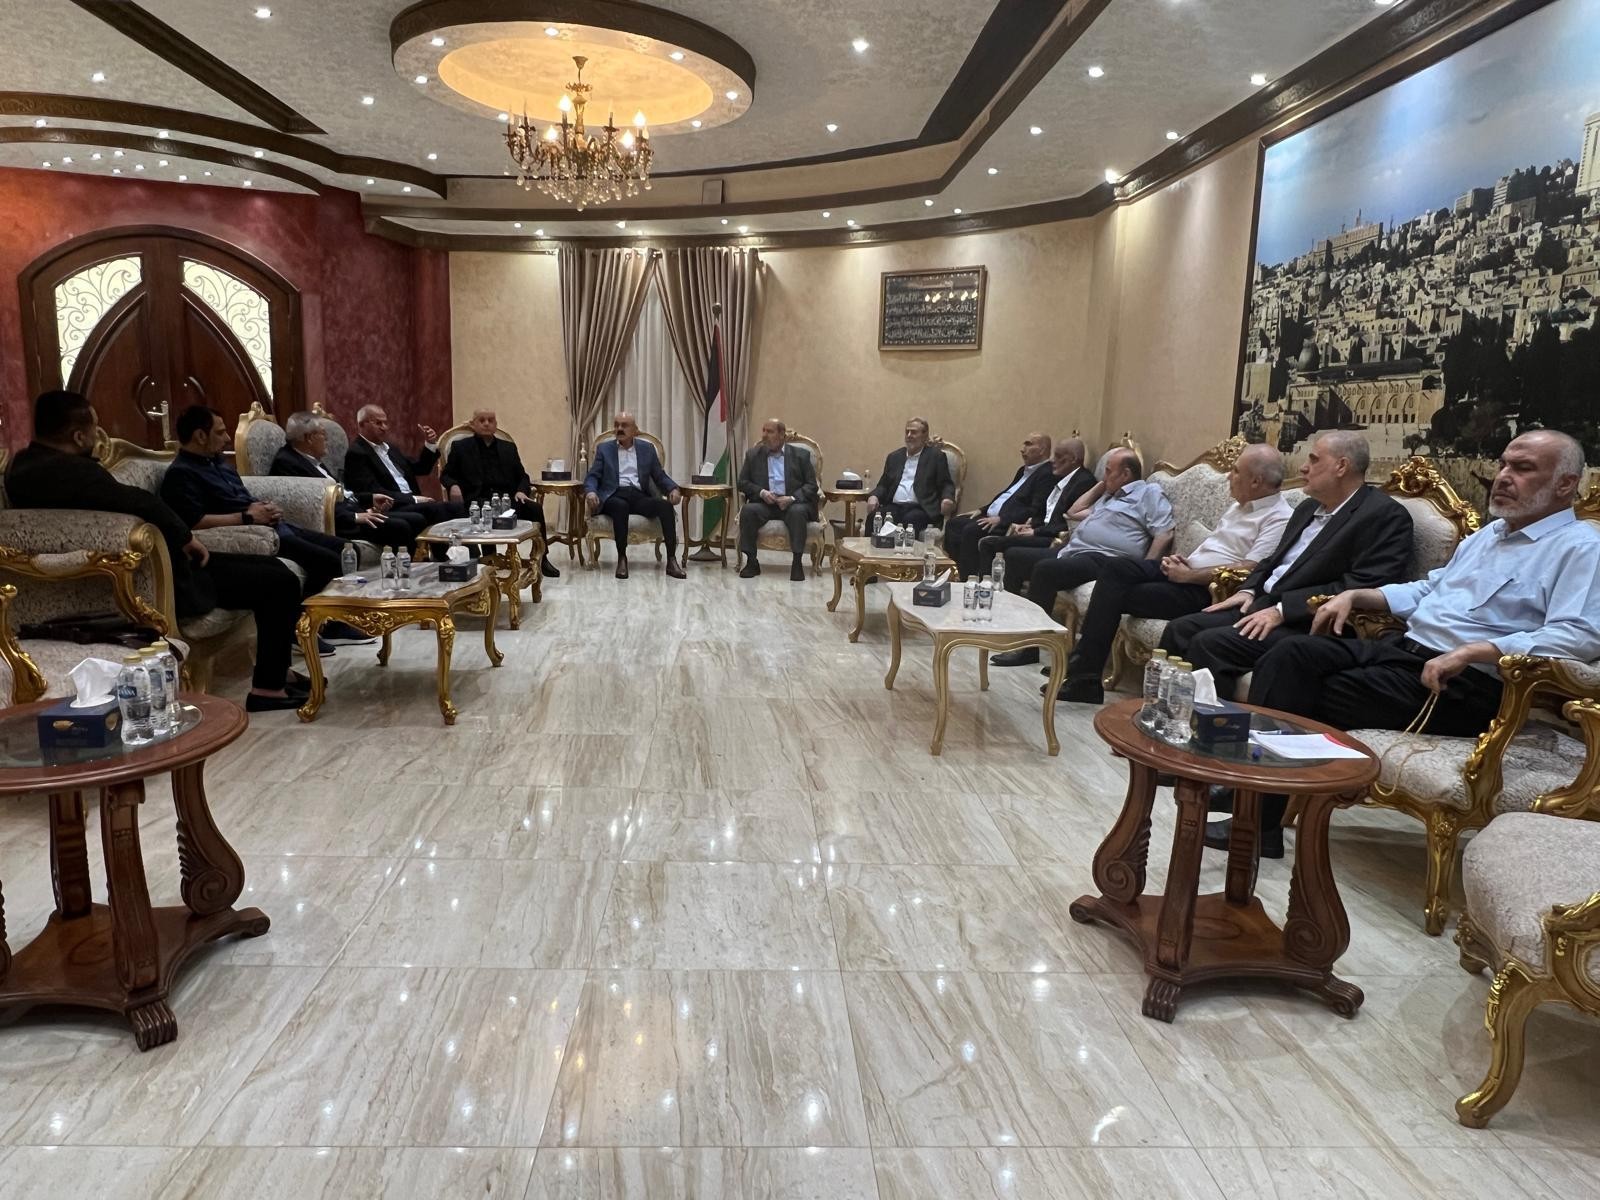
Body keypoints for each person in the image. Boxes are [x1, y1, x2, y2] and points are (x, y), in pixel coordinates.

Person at [1212, 430, 1600, 860]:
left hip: (1462, 684)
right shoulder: (1490, 535)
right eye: (1504, 463)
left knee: (1300, 691)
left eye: (1523, 468)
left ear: (1565, 483)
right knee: (1289, 654)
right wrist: (1358, 595)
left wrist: (1480, 650)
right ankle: (1250, 792)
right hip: (1404, 650)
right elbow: (1430, 589)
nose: (1504, 476)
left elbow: (1578, 634)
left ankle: (1255, 820)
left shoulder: (1581, 548)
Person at [6, 390, 308, 712]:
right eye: (95, 427)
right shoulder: (68, 472)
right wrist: (185, 537)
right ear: (78, 436)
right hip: (158, 577)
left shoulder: (24, 465)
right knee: (280, 582)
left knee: (275, 569)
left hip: (155, 566)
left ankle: (276, 674)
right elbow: (140, 501)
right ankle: (267, 689)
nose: (98, 435)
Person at [1158, 430, 1413, 702]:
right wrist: (1247, 590)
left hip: (1305, 622)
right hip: (1261, 603)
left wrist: (1283, 610)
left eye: (1314, 459)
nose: (1303, 467)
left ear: (1341, 466)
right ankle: (1164, 714)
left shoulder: (1383, 516)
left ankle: (1213, 724)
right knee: (1180, 629)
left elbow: (1361, 585)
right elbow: (1272, 560)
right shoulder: (1308, 508)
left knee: (1209, 644)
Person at [1052, 442, 1293, 703]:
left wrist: (1189, 575)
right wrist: (1183, 563)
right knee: (1116, 568)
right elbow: (1217, 549)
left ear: (1256, 481)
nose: (1228, 477)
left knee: (1113, 593)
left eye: (1235, 471)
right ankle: (1084, 676)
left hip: (1206, 590)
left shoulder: (1279, 517)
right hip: (1185, 571)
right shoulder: (1240, 505)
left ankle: (1085, 678)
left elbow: (1251, 568)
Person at [160, 406, 372, 649]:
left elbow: (240, 497)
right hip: (252, 534)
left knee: (348, 550)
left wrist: (264, 507)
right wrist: (247, 517)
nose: (227, 438)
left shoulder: (217, 462)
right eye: (220, 432)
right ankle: (301, 628)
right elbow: (193, 522)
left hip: (272, 525)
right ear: (200, 436)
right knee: (329, 560)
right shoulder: (181, 474)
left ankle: (329, 621)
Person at [993, 447, 1175, 673]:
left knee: (1045, 570)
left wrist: (1143, 568)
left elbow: (1164, 533)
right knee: (1014, 556)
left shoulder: (1148, 493)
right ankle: (1010, 630)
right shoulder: (1111, 497)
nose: (1104, 476)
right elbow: (1074, 511)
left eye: (1108, 471)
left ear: (1126, 474)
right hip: (1076, 551)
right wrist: (1103, 486)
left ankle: (1030, 648)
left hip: (1106, 558)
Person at [271, 410, 425, 553]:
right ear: (309, 438)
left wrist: (369, 500)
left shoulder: (310, 458)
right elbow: (312, 504)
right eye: (323, 434)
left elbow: (341, 493)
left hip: (351, 511)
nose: (327, 439)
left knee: (415, 519)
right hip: (339, 522)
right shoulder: (288, 463)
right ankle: (401, 569)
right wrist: (355, 517)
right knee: (401, 526)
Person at [439, 408, 559, 577]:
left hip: (505, 500)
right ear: (473, 424)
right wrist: (453, 486)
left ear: (496, 424)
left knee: (534, 509)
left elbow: (522, 476)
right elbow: (446, 475)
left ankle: (542, 559)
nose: (486, 424)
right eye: (482, 420)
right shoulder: (461, 447)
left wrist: (521, 491)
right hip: (476, 501)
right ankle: (489, 560)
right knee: (484, 511)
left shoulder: (508, 448)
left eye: (490, 420)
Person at [981, 436, 1095, 592]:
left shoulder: (1083, 482)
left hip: (1055, 538)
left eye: (1058, 456)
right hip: (1043, 531)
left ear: (1073, 459)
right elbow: (1047, 512)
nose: (1053, 460)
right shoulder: (1062, 478)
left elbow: (1066, 523)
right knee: (991, 543)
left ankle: (999, 594)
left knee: (998, 547)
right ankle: (991, 589)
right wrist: (1030, 524)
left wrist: (1036, 531)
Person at [583, 411, 686, 580]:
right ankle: (622, 558)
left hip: (638, 496)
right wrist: (591, 491)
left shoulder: (647, 449)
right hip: (613, 495)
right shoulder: (604, 449)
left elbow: (659, 476)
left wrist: (673, 489)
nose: (619, 428)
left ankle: (672, 561)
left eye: (624, 425)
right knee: (620, 506)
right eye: (616, 425)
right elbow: (592, 476)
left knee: (665, 506)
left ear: (634, 430)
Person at [940, 431, 1054, 579]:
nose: (1022, 449)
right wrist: (982, 509)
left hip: (1008, 521)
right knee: (954, 524)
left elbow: (1034, 510)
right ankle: (957, 572)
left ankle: (969, 579)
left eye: (1028, 444)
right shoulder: (1023, 470)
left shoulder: (1047, 474)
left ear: (1042, 450)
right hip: (992, 516)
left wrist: (1002, 519)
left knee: (971, 530)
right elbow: (1007, 495)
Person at [341, 404, 463, 525]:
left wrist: (430, 444)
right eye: (378, 423)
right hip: (392, 506)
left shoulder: (390, 448)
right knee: (442, 509)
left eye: (385, 423)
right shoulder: (356, 453)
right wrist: (413, 499)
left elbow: (421, 468)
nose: (384, 428)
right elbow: (374, 491)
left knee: (458, 507)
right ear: (361, 425)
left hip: (411, 500)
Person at [737, 418, 819, 581]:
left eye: (770, 431)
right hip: (766, 503)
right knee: (748, 510)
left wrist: (792, 498)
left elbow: (812, 485)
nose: (764, 435)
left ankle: (797, 563)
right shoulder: (753, 455)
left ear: (782, 435)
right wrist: (762, 493)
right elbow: (742, 483)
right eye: (763, 430)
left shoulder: (801, 456)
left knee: (797, 512)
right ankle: (752, 561)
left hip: (792, 503)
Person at [863, 417, 956, 536]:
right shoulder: (894, 457)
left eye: (914, 432)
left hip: (920, 507)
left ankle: (904, 549)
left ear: (925, 436)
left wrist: (947, 498)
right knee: (874, 517)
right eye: (907, 432)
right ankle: (870, 548)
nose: (909, 435)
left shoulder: (936, 457)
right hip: (894, 506)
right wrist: (874, 496)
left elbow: (946, 483)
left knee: (910, 520)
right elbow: (883, 485)